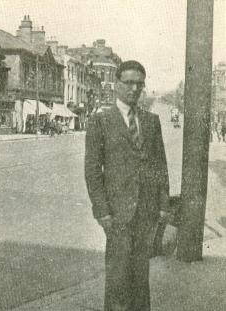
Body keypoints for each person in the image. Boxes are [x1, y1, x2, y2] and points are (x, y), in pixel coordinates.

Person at [85, 60, 170, 311]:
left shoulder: (151, 121)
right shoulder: (101, 120)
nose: (134, 89)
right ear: (116, 85)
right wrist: (102, 213)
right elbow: (92, 171)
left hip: (146, 212)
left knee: (141, 279)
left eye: (139, 84)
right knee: (118, 278)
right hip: (117, 214)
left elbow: (160, 167)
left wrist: (163, 206)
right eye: (128, 83)